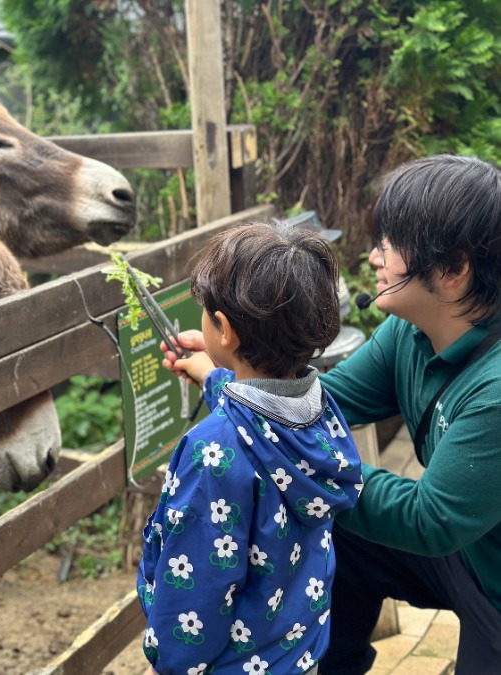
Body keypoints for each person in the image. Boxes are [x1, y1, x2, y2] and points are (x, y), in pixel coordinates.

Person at [162, 154, 501, 675]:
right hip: (463, 550)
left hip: (488, 578)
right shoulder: (410, 333)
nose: (374, 256)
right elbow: (318, 405)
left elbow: (431, 520)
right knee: (330, 520)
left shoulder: (495, 390)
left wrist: (304, 469)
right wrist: (232, 370)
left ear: (453, 270)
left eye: (389, 245)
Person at [139, 222, 363, 675]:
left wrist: (169, 662)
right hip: (297, 656)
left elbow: (196, 595)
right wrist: (211, 371)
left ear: (223, 328)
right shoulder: (321, 408)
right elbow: (266, 413)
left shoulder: (212, 452)